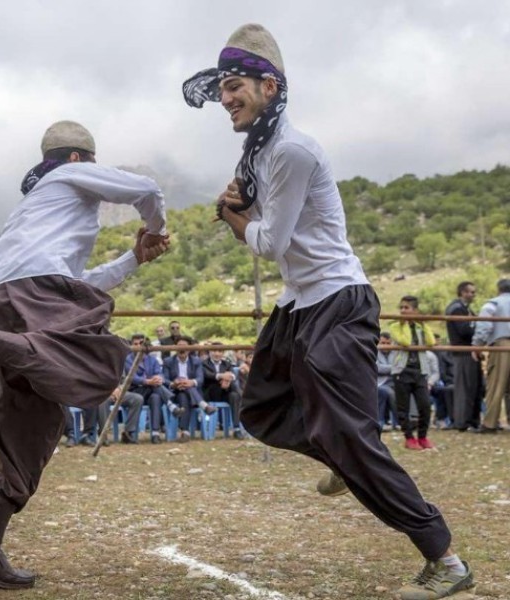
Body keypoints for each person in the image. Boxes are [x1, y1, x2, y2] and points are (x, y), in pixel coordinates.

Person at [183, 23, 473, 599]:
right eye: (221, 89)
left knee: (353, 436)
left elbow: (269, 243)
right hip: (299, 306)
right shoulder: (259, 150)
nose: (225, 98)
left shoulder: (291, 149)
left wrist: (232, 217)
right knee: (261, 409)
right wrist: (235, 203)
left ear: (270, 87)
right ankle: (342, 456)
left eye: (235, 85)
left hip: (338, 301)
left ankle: (445, 560)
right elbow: (245, 202)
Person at [0, 120, 169, 589]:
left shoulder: (39, 217)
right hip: (29, 299)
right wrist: (156, 229)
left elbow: (78, 283)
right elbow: (147, 189)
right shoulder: (64, 176)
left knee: (34, 425)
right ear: (79, 159)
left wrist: (136, 258)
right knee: (95, 361)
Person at [389, 296, 437, 450]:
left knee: (425, 405)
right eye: (401, 307)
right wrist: (405, 325)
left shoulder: (420, 326)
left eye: (406, 308)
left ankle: (422, 436)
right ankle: (409, 437)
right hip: (402, 370)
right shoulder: (395, 326)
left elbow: (431, 342)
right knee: (403, 407)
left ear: (415, 310)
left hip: (420, 370)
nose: (403, 310)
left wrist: (422, 324)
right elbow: (405, 342)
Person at [471, 278, 510, 433]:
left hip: (502, 343)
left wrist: (477, 344)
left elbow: (485, 324)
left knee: (496, 384)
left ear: (498, 289)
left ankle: (490, 423)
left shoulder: (493, 303)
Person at [444, 281, 483, 431]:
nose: (473, 295)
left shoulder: (465, 309)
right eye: (470, 292)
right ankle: (462, 422)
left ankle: (472, 420)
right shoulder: (456, 309)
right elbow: (464, 330)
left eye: (474, 292)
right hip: (463, 353)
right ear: (462, 292)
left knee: (474, 387)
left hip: (469, 352)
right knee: (465, 388)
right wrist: (478, 326)